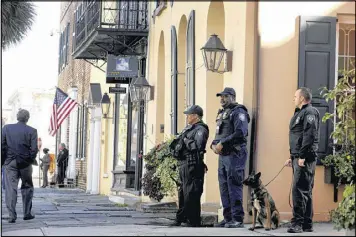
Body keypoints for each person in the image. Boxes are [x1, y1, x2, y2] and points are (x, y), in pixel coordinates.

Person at [211, 87, 250, 228]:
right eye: (221, 97)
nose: (222, 99)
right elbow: (219, 134)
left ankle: (237, 218)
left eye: (225, 97)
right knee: (224, 187)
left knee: (234, 185)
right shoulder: (222, 113)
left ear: (232, 97)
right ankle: (227, 218)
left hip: (235, 154)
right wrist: (214, 145)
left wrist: (223, 143)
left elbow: (241, 132)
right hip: (223, 156)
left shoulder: (239, 112)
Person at [284, 87, 320, 233]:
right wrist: (291, 156)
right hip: (298, 156)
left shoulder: (310, 112)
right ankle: (306, 223)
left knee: (299, 190)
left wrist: (302, 156)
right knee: (305, 190)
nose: (294, 98)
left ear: (302, 98)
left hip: (305, 158)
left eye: (295, 96)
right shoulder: (300, 113)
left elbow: (309, 135)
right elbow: (297, 137)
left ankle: (297, 223)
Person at [170, 105, 209, 227]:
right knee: (183, 192)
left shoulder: (201, 129)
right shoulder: (189, 129)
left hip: (193, 164)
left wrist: (186, 141)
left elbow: (198, 146)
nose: (187, 117)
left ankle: (192, 220)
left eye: (189, 115)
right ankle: (182, 217)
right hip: (184, 164)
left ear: (195, 116)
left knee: (191, 192)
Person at [1, 109, 38, 223]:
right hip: (25, 163)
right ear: (27, 118)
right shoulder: (32, 131)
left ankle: (12, 215)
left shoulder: (6, 128)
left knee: (10, 189)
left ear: (17, 117)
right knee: (27, 187)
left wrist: (3, 161)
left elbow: (2, 146)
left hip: (10, 162)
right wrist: (30, 159)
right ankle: (27, 213)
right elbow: (34, 149)